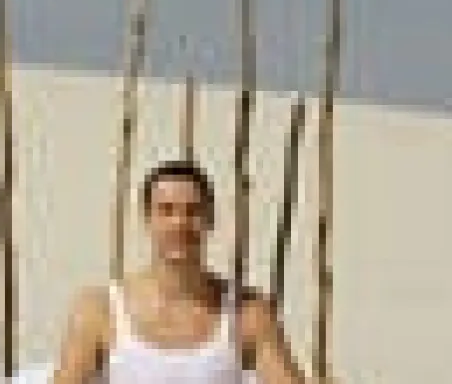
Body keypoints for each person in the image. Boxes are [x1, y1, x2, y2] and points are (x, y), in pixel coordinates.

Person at [49, 159, 307, 384]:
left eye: (193, 211)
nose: (180, 223)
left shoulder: (248, 313)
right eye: (166, 210)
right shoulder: (99, 310)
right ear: (147, 219)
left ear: (210, 220)